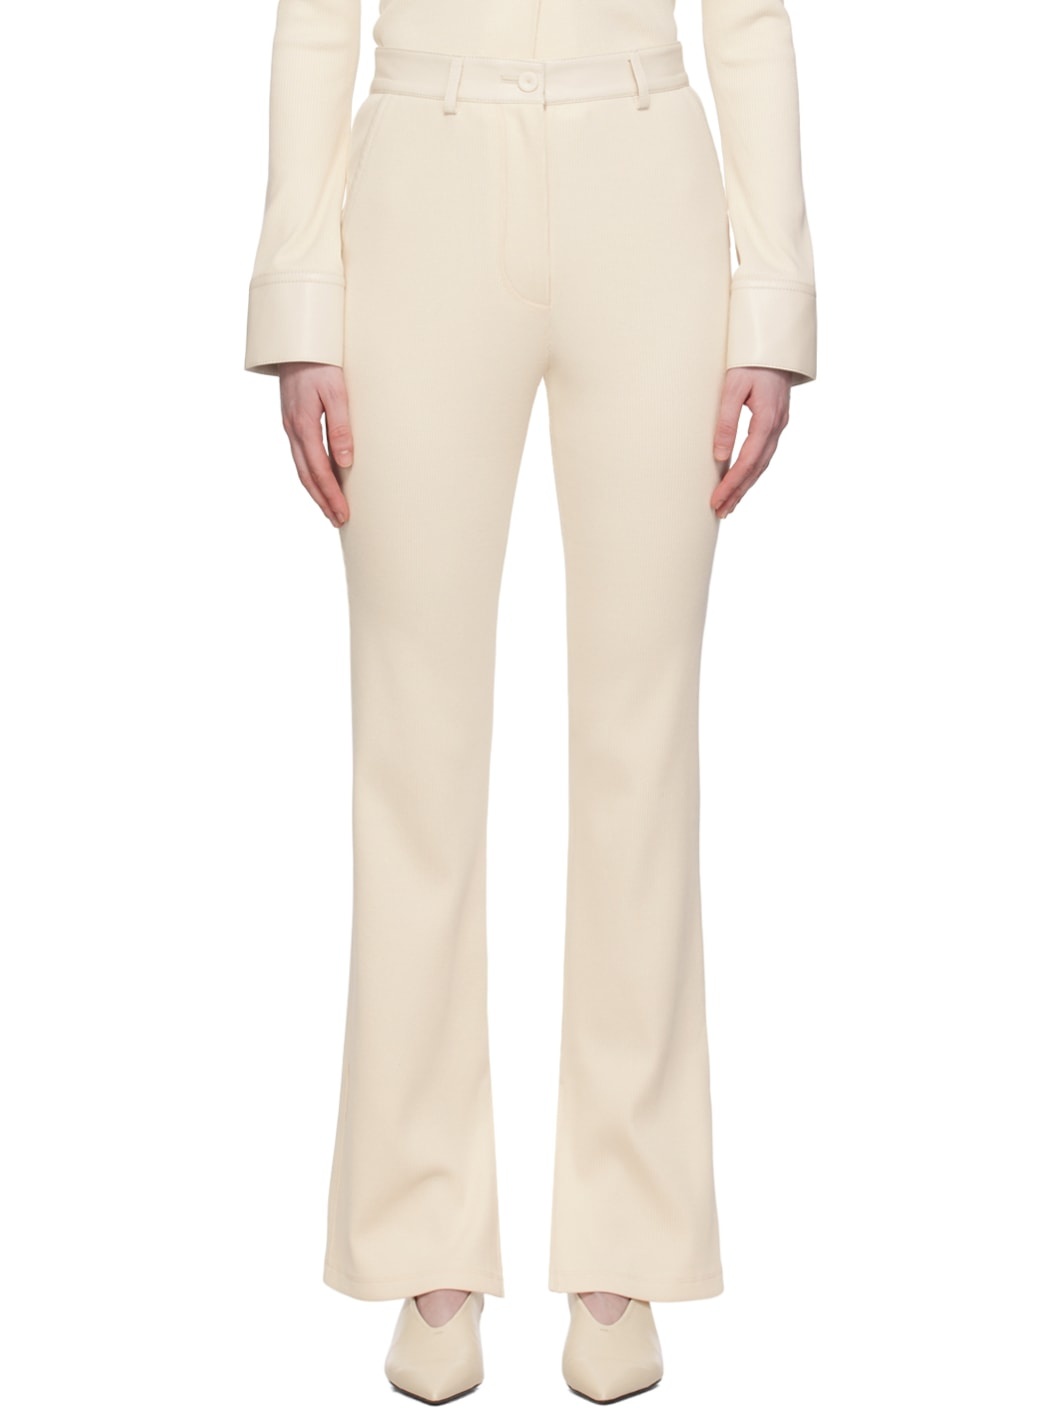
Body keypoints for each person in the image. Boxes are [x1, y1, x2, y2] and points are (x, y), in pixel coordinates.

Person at [244, 0, 816, 1402]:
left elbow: (747, 15)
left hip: (648, 182)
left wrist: (774, 300)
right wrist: (300, 301)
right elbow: (316, 17)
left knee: (641, 742)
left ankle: (627, 1234)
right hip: (419, 188)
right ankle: (423, 1234)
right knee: (413, 745)